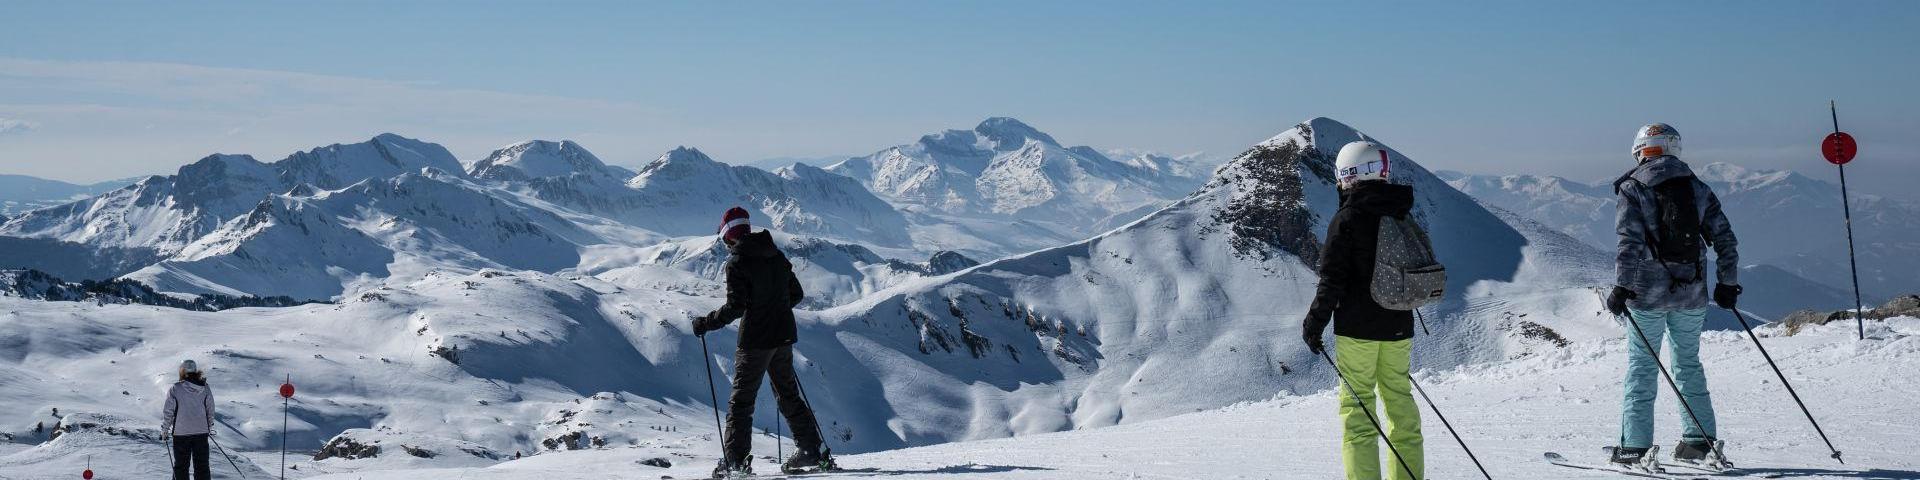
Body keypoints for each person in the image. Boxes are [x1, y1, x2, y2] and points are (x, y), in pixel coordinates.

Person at [1604, 123, 1740, 467]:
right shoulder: (1698, 188)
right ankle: (1699, 442)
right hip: (1691, 294)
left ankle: (1634, 448)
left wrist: (1621, 287)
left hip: (1646, 295)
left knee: (1642, 369)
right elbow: (1724, 239)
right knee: (1688, 364)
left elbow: (1629, 244)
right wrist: (1727, 283)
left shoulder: (1633, 188)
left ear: (1641, 150)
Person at [1301, 141, 1424, 480]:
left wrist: (1314, 323)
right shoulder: (1400, 211)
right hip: (1399, 326)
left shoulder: (1348, 219)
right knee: (1401, 409)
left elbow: (1332, 279)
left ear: (1349, 175)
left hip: (1357, 332)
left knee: (1359, 415)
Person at [692, 207, 828, 478]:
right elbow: (796, 294)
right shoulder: (775, 255)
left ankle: (736, 462)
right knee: (787, 393)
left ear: (729, 235)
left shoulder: (737, 262)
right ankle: (812, 449)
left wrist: (705, 323)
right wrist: (774, 308)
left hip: (755, 340)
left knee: (741, 401)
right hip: (783, 335)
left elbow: (736, 307)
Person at [163, 359, 215, 480]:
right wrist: (209, 426)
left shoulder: (175, 388)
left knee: (181, 467)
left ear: (182, 371)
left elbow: (168, 412)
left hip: (181, 434)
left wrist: (165, 430)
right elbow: (210, 409)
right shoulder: (205, 388)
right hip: (201, 433)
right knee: (202, 466)